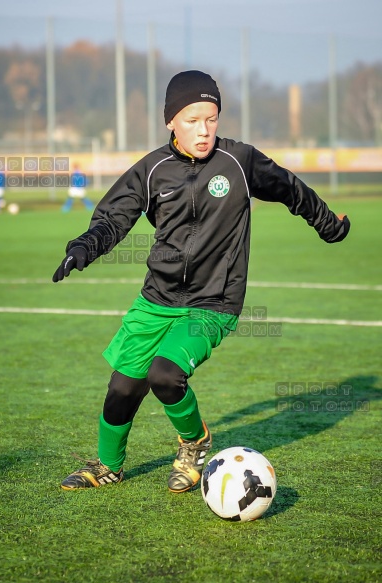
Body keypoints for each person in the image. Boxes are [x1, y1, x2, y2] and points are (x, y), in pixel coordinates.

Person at [52, 70, 350, 493]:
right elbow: (113, 218)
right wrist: (83, 248)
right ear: (171, 121)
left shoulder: (239, 161)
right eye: (192, 120)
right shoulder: (152, 170)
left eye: (211, 119)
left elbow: (289, 188)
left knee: (165, 374)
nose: (204, 130)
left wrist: (327, 224)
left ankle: (194, 443)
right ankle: (108, 467)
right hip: (157, 298)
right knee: (122, 387)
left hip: (214, 301)